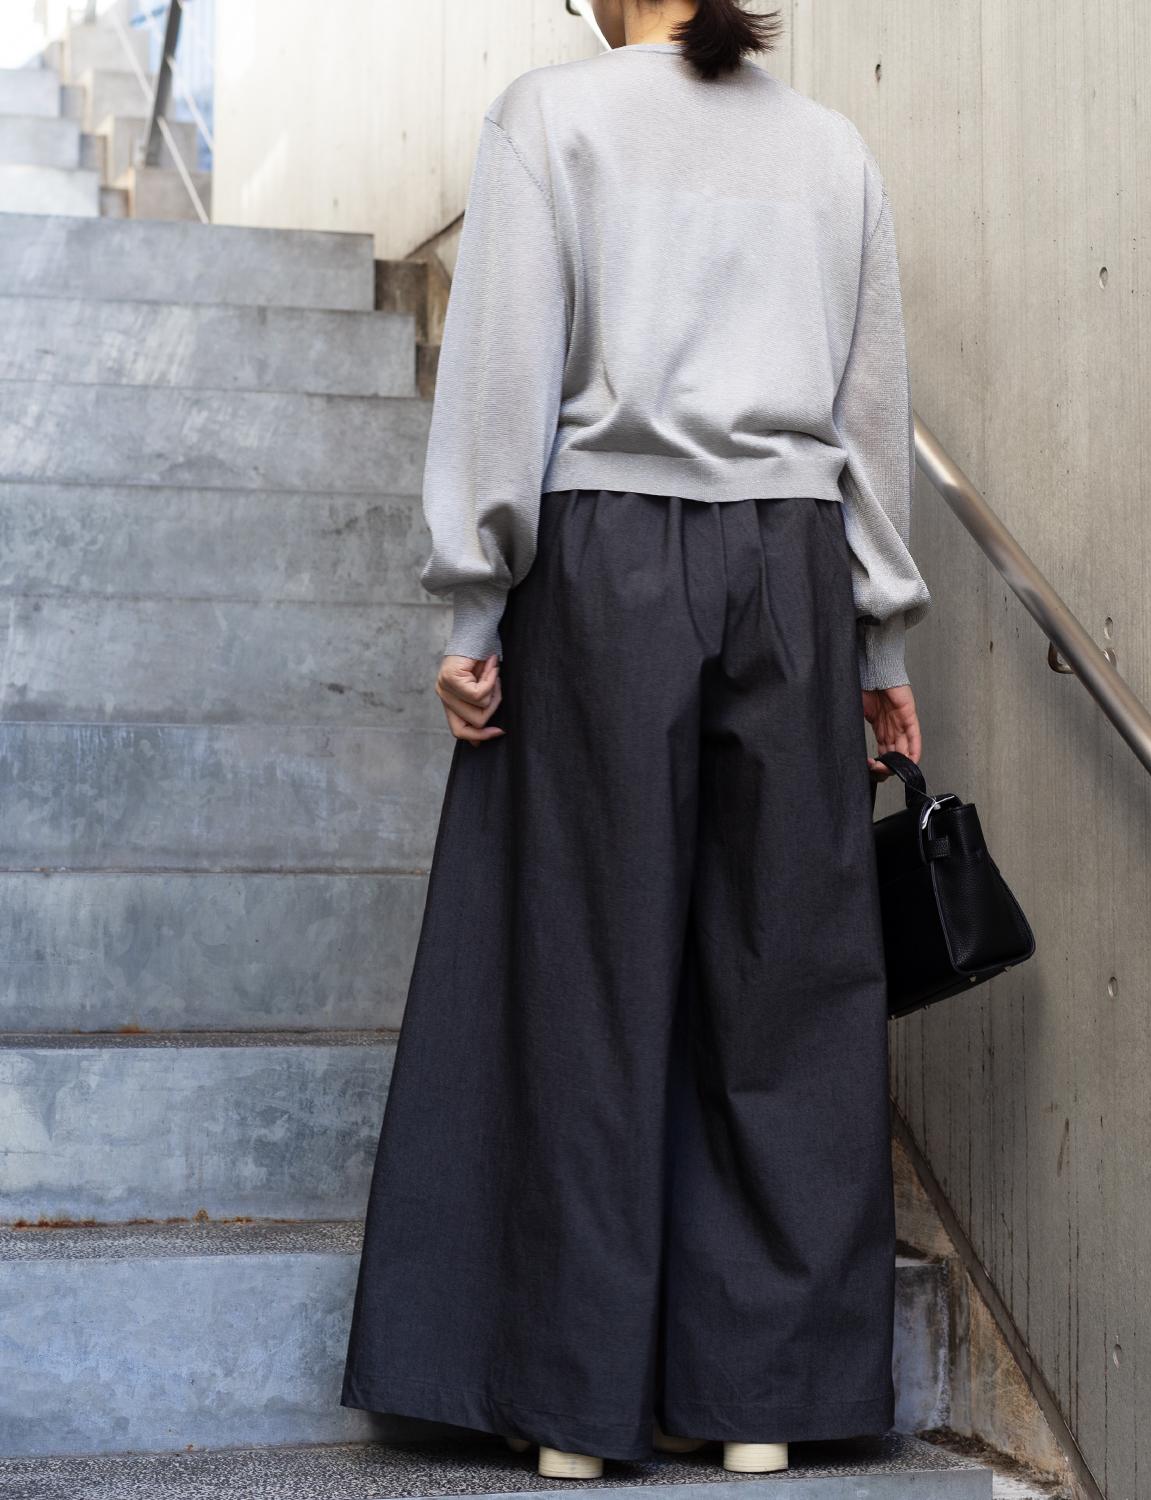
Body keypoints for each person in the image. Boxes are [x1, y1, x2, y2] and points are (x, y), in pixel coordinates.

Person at [340, 0, 931, 1481]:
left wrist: (475, 606)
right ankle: (762, 1403)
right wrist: (880, 639)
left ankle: (575, 1409)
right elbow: (869, 414)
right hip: (792, 570)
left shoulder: (555, 117)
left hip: (610, 561)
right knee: (784, 983)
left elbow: (503, 374)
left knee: (587, 973)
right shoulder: (834, 151)